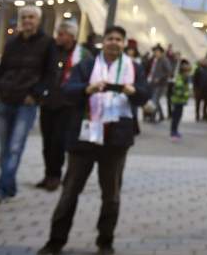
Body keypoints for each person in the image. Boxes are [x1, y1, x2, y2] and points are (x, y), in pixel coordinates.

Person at [37, 25, 150, 255]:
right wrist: (87, 89)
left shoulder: (134, 68)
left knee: (111, 195)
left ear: (124, 43)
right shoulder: (87, 66)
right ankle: (55, 241)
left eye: (119, 39)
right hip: (84, 139)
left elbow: (144, 95)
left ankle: (105, 241)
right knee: (70, 192)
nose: (114, 43)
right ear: (103, 41)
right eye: (110, 38)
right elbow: (68, 91)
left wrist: (131, 91)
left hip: (116, 140)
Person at [0, 5, 55, 211]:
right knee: (3, 150)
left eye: (31, 17)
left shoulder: (47, 43)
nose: (27, 20)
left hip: (26, 103)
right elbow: (2, 69)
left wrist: (35, 94)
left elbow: (50, 75)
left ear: (38, 20)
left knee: (15, 147)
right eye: (24, 17)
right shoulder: (12, 43)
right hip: (6, 99)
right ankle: (9, 188)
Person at [36, 20, 88, 191]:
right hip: (48, 102)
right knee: (47, 142)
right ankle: (48, 173)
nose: (57, 37)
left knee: (59, 142)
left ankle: (55, 176)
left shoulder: (82, 55)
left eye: (61, 34)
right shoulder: (51, 51)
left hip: (68, 105)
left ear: (71, 37)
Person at [145, 45, 171, 123]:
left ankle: (152, 117)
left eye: (157, 52)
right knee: (156, 101)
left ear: (161, 52)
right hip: (153, 83)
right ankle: (162, 116)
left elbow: (169, 71)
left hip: (160, 84)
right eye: (154, 52)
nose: (155, 53)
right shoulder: (155, 60)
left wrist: (159, 78)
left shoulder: (164, 60)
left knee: (154, 100)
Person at [170, 59, 192, 140]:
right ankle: (173, 132)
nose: (188, 73)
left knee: (178, 116)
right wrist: (186, 93)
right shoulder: (180, 78)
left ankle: (175, 131)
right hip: (177, 101)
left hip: (180, 101)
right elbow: (179, 90)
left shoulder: (184, 78)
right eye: (187, 72)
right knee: (176, 117)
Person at [192, 55, 207, 121]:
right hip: (199, 89)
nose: (206, 62)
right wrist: (195, 88)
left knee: (206, 103)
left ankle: (204, 114)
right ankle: (197, 115)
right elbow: (194, 79)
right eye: (205, 61)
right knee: (198, 103)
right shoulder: (198, 69)